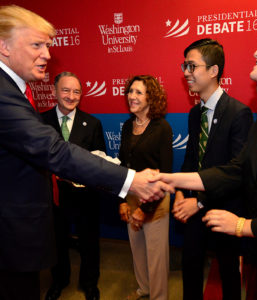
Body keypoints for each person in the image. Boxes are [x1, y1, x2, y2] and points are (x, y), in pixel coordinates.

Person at [0, 5, 172, 300]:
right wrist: (131, 180)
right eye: (36, 44)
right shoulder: (4, 93)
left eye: (48, 46)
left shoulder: (15, 91)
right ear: (4, 46)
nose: (47, 54)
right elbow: (54, 151)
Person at [155, 19, 257, 300]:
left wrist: (241, 226)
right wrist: (169, 179)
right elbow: (237, 169)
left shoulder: (247, 114)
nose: (256, 52)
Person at [175, 39, 253, 300]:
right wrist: (179, 194)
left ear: (213, 70)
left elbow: (236, 171)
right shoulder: (194, 114)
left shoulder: (238, 112)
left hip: (224, 209)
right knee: (191, 267)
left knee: (229, 272)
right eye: (184, 65)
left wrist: (197, 202)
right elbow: (191, 159)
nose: (186, 72)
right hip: (193, 208)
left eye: (191, 65)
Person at [42, 72, 106, 300]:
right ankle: (59, 281)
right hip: (54, 197)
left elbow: (101, 160)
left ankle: (90, 284)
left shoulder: (93, 123)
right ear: (54, 92)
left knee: (89, 242)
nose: (71, 96)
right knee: (57, 241)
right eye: (66, 90)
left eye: (76, 91)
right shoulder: (40, 121)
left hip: (85, 196)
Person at [119, 75, 173, 300]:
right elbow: (123, 166)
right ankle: (144, 289)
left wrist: (145, 209)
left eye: (139, 92)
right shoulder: (127, 126)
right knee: (138, 251)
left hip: (155, 201)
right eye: (131, 91)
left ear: (151, 97)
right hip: (131, 197)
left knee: (156, 257)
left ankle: (158, 296)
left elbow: (165, 174)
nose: (132, 96)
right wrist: (122, 200)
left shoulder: (162, 128)